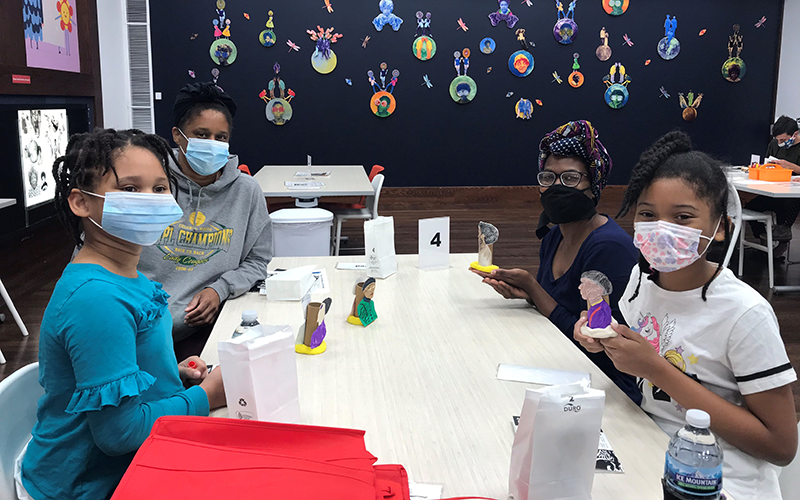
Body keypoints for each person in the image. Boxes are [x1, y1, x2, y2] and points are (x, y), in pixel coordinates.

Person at [575, 131, 797, 500]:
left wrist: (657, 370)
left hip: (721, 483)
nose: (662, 229)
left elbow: (781, 445)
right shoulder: (639, 280)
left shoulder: (745, 314)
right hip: (648, 452)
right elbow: (652, 348)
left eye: (683, 217)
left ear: (721, 228)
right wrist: (607, 342)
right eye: (648, 214)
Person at [18, 129, 227, 500]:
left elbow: (116, 359)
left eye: (160, 188)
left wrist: (169, 373)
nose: (150, 200)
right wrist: (206, 397)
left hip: (136, 459)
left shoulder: (130, 276)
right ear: (81, 203)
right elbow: (121, 435)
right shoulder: (96, 300)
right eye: (130, 189)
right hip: (89, 485)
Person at [470, 120, 641, 404]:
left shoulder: (607, 247)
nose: (557, 187)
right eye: (548, 178)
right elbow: (559, 309)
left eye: (571, 178)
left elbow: (600, 342)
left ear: (594, 185)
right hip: (561, 367)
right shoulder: (554, 237)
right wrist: (528, 294)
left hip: (604, 389)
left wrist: (533, 289)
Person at [138, 82, 273, 360]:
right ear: (177, 135)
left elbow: (258, 261)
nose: (212, 144)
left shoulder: (246, 191)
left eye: (220, 137)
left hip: (201, 328)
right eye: (201, 134)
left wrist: (220, 289)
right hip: (136, 329)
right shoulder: (148, 186)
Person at [745, 115, 800, 247]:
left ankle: (782, 239)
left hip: (792, 196)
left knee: (787, 205)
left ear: (795, 134)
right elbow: (768, 163)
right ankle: (764, 238)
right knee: (750, 208)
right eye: (778, 139)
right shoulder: (775, 144)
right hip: (775, 189)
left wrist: (791, 167)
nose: (780, 143)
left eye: (783, 140)